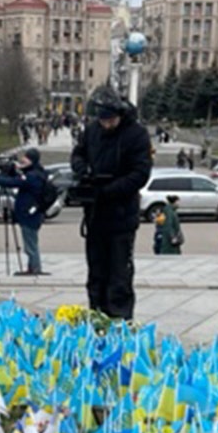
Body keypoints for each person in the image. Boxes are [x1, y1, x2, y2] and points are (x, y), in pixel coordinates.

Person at [72, 86, 153, 319]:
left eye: (110, 120)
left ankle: (119, 318)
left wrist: (110, 190)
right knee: (96, 272)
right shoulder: (92, 131)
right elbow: (78, 154)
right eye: (103, 120)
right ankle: (97, 313)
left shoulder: (136, 134)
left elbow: (140, 174)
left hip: (121, 214)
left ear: (119, 114)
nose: (106, 125)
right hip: (95, 214)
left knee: (119, 273)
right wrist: (82, 169)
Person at [0, 148, 48, 275]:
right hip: (29, 214)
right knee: (31, 242)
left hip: (29, 215)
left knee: (30, 244)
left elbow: (12, 183)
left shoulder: (33, 176)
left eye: (26, 158)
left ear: (32, 160)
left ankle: (35, 268)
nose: (23, 160)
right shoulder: (35, 173)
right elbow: (18, 179)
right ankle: (32, 267)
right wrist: (16, 171)